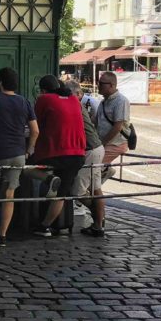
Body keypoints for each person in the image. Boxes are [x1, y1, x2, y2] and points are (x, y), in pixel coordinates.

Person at [31, 75, 86, 238]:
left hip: (55, 152)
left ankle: (49, 179)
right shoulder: (74, 99)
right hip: (77, 154)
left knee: (24, 169)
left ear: (42, 90)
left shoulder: (44, 99)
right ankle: (44, 226)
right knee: (61, 193)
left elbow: (36, 124)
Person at [0, 67, 39, 247]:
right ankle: (2, 235)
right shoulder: (24, 101)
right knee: (9, 194)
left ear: (0, 82)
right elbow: (35, 130)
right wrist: (29, 150)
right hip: (18, 154)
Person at [66, 80, 106, 237]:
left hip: (90, 151)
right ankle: (98, 225)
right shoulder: (79, 106)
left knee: (77, 191)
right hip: (97, 148)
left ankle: (97, 217)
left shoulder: (74, 106)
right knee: (96, 189)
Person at [95, 71, 131, 211]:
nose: (98, 86)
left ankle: (93, 200)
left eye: (101, 84)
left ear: (111, 85)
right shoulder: (103, 102)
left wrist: (102, 143)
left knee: (91, 168)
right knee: (92, 169)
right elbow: (95, 121)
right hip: (102, 143)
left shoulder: (121, 101)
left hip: (115, 143)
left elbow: (118, 126)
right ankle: (105, 172)